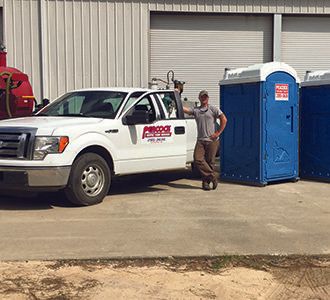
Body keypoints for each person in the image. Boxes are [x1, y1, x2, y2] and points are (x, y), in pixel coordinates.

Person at [183, 90, 227, 191]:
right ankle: (212, 176)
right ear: (199, 98)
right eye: (202, 97)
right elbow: (185, 110)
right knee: (197, 159)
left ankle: (206, 183)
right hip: (201, 140)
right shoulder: (196, 110)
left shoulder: (213, 109)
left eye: (205, 97)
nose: (204, 98)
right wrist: (174, 99)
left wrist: (217, 133)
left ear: (208, 98)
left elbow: (224, 119)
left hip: (212, 140)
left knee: (210, 162)